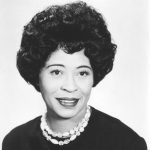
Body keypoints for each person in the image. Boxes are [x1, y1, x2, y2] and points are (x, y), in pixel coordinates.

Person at [2, 1, 147, 150]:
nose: (70, 87)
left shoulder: (126, 144)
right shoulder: (14, 143)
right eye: (56, 72)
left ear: (94, 75)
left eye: (82, 73)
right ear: (37, 73)